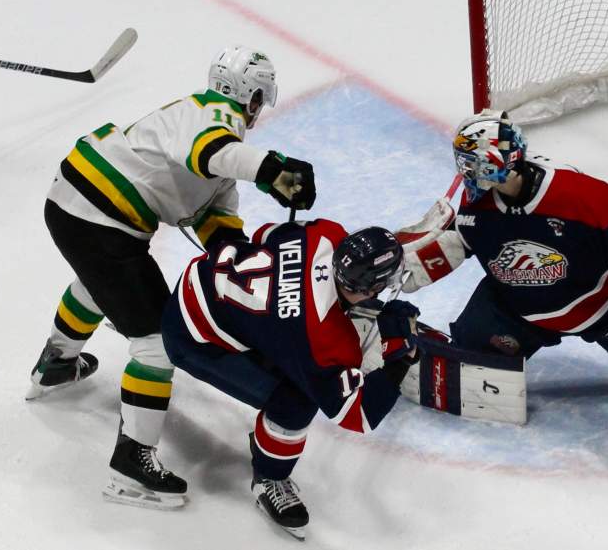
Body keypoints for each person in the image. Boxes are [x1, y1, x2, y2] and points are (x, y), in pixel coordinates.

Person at [25, 45, 317, 511]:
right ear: (253, 95)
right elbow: (211, 154)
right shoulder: (211, 117)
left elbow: (213, 217)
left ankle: (57, 362)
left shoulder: (211, 132)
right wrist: (273, 170)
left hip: (77, 205)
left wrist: (242, 263)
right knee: (156, 343)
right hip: (101, 219)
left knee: (101, 286)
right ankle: (131, 464)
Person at [399, 109, 608, 410]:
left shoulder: (582, 197)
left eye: (470, 164)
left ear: (492, 165)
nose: (464, 172)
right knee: (472, 357)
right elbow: (460, 241)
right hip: (516, 309)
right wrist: (400, 269)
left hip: (605, 308)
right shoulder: (478, 205)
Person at [161, 220, 420, 539]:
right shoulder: (327, 342)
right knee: (296, 402)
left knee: (291, 354)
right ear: (365, 289)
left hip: (202, 276)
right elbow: (358, 415)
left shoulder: (326, 234)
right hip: (193, 336)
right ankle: (269, 478)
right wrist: (400, 357)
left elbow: (266, 233)